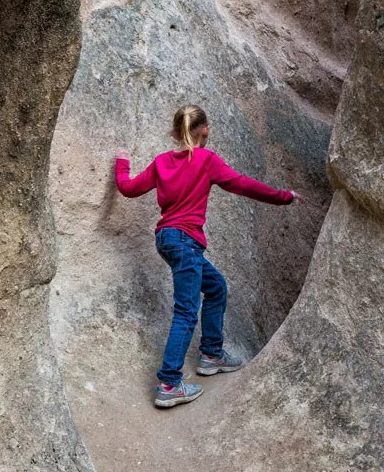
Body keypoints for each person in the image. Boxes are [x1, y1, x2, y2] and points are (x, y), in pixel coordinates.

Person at [115, 104, 301, 409]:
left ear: (175, 132)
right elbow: (242, 184)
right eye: (207, 126)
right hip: (185, 242)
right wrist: (284, 197)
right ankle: (168, 384)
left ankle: (211, 354)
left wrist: (122, 161)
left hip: (168, 239)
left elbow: (128, 188)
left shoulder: (162, 162)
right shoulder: (206, 160)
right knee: (186, 312)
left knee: (215, 287)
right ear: (204, 129)